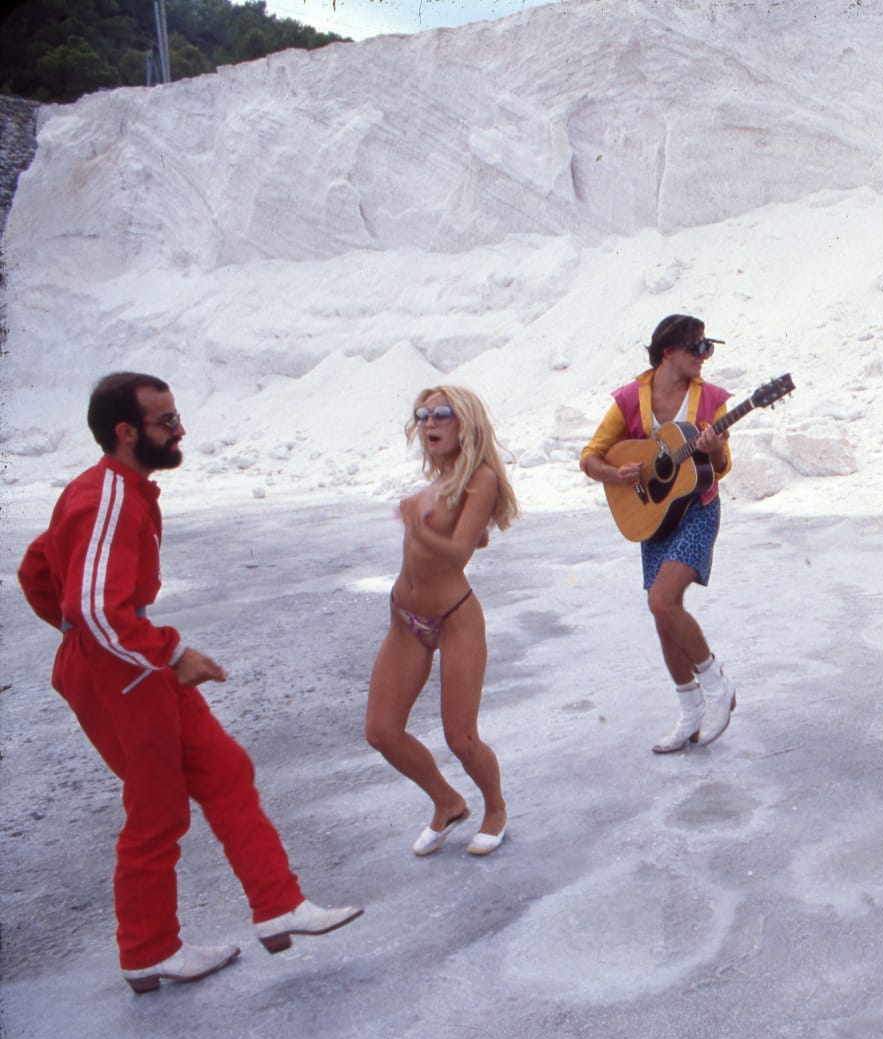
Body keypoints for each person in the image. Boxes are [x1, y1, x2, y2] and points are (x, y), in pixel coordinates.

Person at [16, 373, 362, 994]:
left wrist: (102, 637)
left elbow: (36, 572)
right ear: (127, 432)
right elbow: (94, 608)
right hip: (120, 670)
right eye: (167, 422)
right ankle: (148, 950)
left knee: (224, 770)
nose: (181, 432)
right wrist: (163, 651)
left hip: (129, 660)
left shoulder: (121, 489)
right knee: (158, 810)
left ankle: (278, 906)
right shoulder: (106, 498)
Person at [365, 386, 519, 857]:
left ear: (465, 423)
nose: (430, 423)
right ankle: (447, 802)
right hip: (404, 618)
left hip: (455, 618)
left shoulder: (481, 479)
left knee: (461, 736)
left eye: (442, 415)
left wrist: (415, 524)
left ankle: (494, 809)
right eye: (423, 415)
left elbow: (456, 553)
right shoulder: (437, 479)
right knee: (381, 731)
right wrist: (417, 516)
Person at [580, 314, 738, 753]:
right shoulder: (631, 398)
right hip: (653, 511)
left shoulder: (713, 401)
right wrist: (616, 472)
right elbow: (590, 456)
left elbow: (720, 467)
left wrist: (716, 447)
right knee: (663, 613)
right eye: (697, 348)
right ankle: (689, 713)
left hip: (699, 508)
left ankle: (715, 682)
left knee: (662, 599)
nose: (704, 356)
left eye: (709, 348)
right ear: (669, 351)